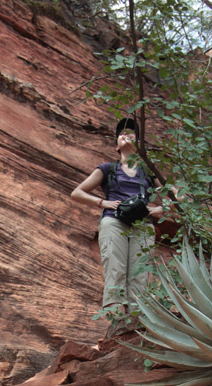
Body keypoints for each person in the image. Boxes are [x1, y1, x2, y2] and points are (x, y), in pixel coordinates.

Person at [71, 117, 164, 335]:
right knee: (115, 268)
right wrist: (102, 202)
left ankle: (137, 325)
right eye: (122, 134)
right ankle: (118, 323)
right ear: (116, 145)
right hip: (114, 221)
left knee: (140, 273)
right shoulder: (108, 168)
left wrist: (159, 210)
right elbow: (77, 192)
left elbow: (175, 197)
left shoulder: (148, 173)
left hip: (142, 224)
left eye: (131, 133)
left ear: (139, 144)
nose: (126, 135)